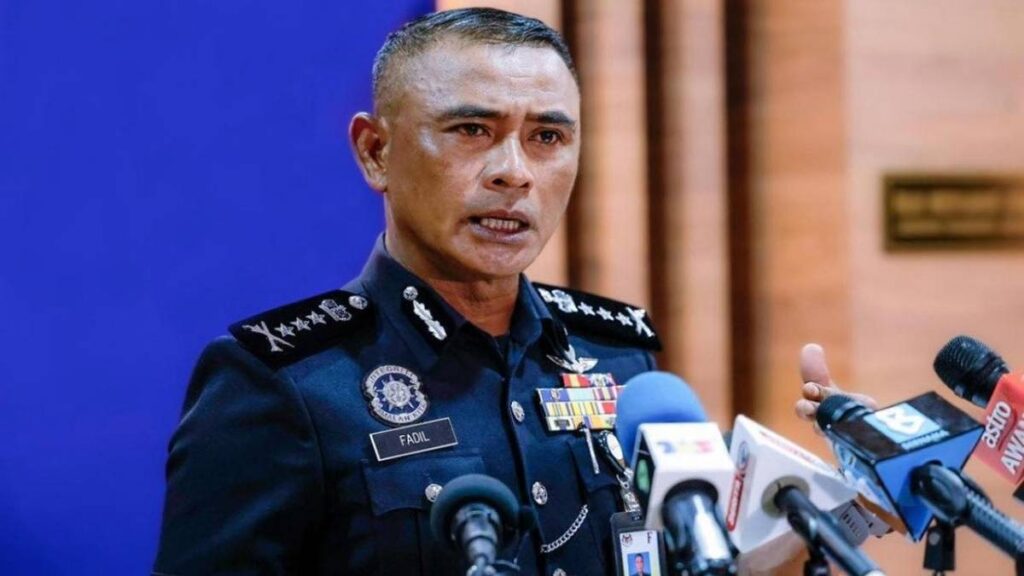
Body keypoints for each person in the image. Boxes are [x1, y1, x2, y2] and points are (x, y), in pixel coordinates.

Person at [153, 7, 874, 576]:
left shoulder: (619, 360)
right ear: (376, 152)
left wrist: (845, 503)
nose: (514, 172)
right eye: (472, 130)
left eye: (548, 138)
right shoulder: (284, 383)